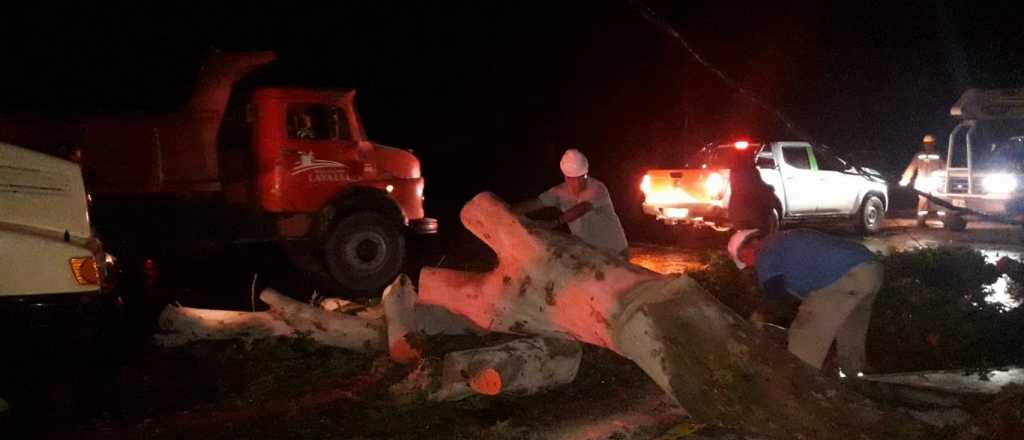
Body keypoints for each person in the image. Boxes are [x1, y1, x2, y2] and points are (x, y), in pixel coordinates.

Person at [728, 228, 883, 374]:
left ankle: (800, 388)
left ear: (752, 244)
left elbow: (775, 292)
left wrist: (759, 316)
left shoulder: (765, 250)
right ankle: (856, 380)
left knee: (802, 343)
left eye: (743, 258)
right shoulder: (785, 239)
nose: (749, 265)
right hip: (871, 270)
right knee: (850, 333)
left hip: (842, 279)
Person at [515, 149, 630, 259]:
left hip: (615, 250)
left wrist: (555, 223)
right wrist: (509, 211)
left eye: (582, 177)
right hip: (591, 254)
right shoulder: (558, 192)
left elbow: (581, 209)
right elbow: (536, 203)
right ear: (565, 176)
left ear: (586, 173)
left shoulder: (597, 188)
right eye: (572, 178)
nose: (578, 183)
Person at [899, 134, 946, 227]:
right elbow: (911, 168)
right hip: (931, 183)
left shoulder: (922, 156)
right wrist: (905, 180)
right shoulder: (935, 155)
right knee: (934, 202)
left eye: (929, 144)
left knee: (934, 202)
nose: (928, 145)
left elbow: (911, 168)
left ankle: (940, 221)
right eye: (927, 144)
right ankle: (924, 221)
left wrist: (904, 180)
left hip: (929, 183)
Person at [727, 150, 777, 233]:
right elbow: (758, 186)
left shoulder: (734, 171)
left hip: (736, 215)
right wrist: (770, 188)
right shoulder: (750, 171)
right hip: (753, 216)